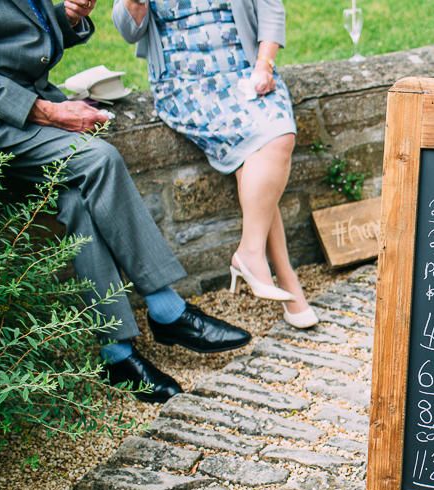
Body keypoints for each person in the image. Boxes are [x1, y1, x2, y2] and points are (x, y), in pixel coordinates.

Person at [0, 0, 252, 404]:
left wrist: (66, 18)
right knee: (99, 159)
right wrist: (50, 112)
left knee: (77, 202)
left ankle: (117, 353)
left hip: (23, 108)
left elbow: (15, 35)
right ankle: (167, 309)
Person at [113, 0, 319, 329]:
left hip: (246, 72)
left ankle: (254, 257)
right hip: (186, 85)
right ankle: (281, 275)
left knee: (273, 142)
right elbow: (128, 28)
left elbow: (270, 8)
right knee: (257, 152)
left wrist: (264, 64)